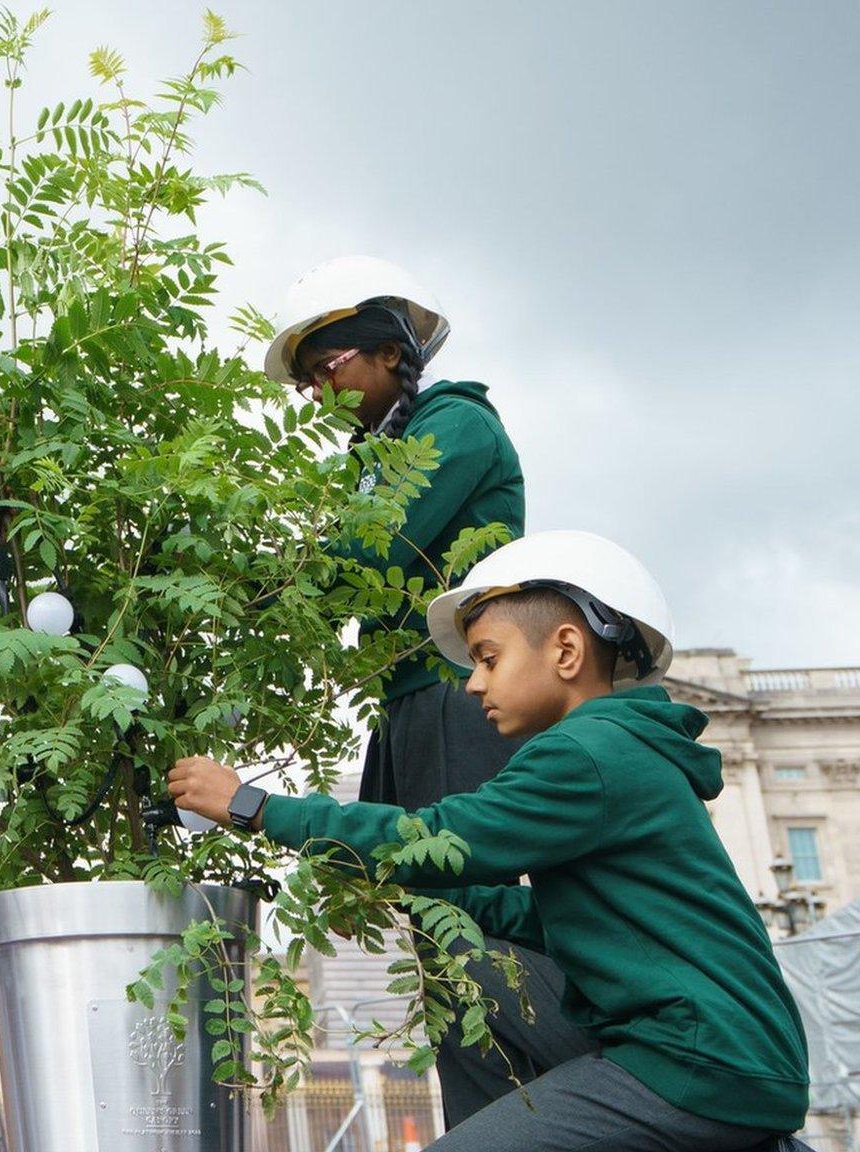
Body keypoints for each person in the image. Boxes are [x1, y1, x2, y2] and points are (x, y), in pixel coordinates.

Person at [167, 530, 814, 1150]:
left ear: (565, 651)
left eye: (488, 658)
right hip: (715, 1049)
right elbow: (553, 917)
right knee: (471, 968)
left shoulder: (586, 754)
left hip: (699, 1059)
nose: (474, 683)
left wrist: (252, 805)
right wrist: (409, 902)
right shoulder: (620, 751)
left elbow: (439, 837)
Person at [264, 256, 591, 1121]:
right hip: (412, 702)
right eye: (305, 384)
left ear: (389, 348)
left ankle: (606, 1095)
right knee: (438, 942)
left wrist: (256, 573)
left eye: (325, 369)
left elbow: (367, 557)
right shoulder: (379, 454)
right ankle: (490, 1127)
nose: (317, 397)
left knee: (474, 931)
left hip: (463, 695)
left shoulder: (456, 425)